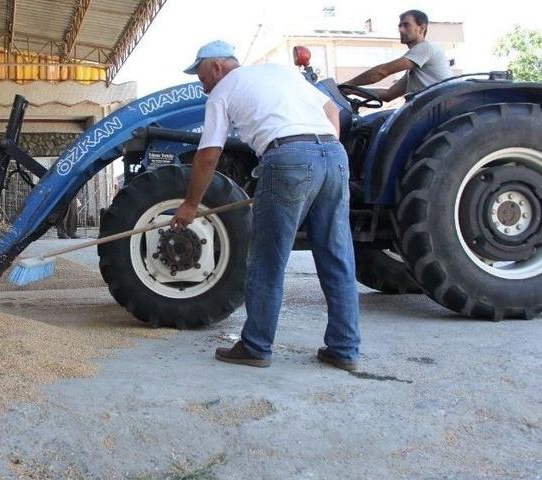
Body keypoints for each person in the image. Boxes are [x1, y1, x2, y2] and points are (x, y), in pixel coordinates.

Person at [171, 40, 361, 371]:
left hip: (287, 157)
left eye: (201, 76)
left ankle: (257, 345)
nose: (201, 86)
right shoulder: (279, 72)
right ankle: (345, 349)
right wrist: (320, 147)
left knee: (267, 259)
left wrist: (190, 205)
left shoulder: (222, 91)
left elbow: (209, 154)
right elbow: (331, 109)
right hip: (333, 154)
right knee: (336, 255)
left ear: (217, 67)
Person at [343, 10, 452, 102]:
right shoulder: (415, 70)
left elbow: (382, 71)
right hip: (427, 114)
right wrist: (352, 90)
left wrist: (346, 85)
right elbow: (388, 94)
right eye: (400, 26)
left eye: (406, 25)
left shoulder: (426, 48)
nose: (400, 30)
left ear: (421, 28)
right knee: (371, 121)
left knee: (372, 124)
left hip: (435, 115)